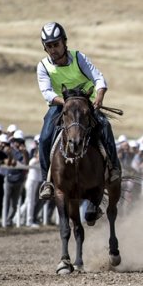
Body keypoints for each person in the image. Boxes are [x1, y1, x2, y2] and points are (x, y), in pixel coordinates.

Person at [36, 22, 121, 203]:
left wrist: (99, 96)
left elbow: (98, 78)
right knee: (44, 137)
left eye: (56, 44)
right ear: (45, 48)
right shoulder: (43, 66)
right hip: (61, 105)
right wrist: (67, 102)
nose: (53, 49)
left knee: (105, 125)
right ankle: (46, 182)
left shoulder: (78, 57)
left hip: (85, 104)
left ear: (64, 42)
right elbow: (47, 93)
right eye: (49, 46)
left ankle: (113, 168)